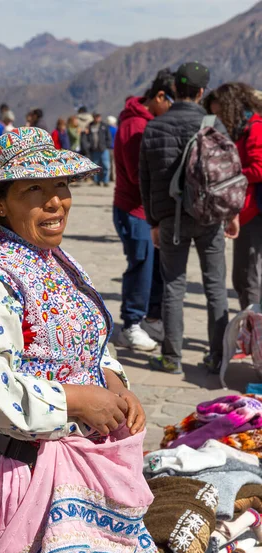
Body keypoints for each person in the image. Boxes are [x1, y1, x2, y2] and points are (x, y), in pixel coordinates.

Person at [0, 127, 162, 553]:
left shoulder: (59, 262)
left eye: (60, 186)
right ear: (0, 203)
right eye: (34, 189)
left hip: (82, 473)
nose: (55, 202)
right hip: (25, 479)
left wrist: (111, 382)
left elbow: (91, 340)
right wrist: (77, 400)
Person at [140, 62, 239, 375]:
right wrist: (231, 214)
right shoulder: (213, 125)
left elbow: (147, 181)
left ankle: (171, 357)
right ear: (201, 91)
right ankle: (217, 356)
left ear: (172, 90)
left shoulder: (154, 127)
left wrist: (154, 222)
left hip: (171, 218)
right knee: (215, 287)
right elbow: (228, 173)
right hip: (210, 217)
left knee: (173, 286)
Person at [114, 69, 175, 351]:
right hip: (134, 209)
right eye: (171, 102)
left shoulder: (148, 121)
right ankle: (130, 324)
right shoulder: (136, 126)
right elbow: (138, 175)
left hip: (148, 209)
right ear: (159, 96)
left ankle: (149, 318)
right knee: (140, 265)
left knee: (152, 268)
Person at [206, 83, 262, 310]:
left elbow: (259, 167)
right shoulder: (245, 126)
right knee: (245, 276)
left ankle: (254, 336)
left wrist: (230, 175)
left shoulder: (254, 127)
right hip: (247, 209)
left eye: (219, 112)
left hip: (253, 211)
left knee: (247, 276)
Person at [86, 113, 112, 186]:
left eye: (98, 117)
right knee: (95, 166)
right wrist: (89, 146)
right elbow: (87, 136)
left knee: (106, 165)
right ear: (93, 117)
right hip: (94, 149)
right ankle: (96, 181)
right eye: (96, 117)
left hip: (104, 149)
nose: (97, 118)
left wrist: (107, 145)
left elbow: (108, 136)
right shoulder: (90, 126)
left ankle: (105, 181)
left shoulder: (104, 126)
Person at [107, 115, 118, 182]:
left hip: (108, 148)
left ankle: (108, 177)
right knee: (114, 163)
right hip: (114, 148)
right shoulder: (116, 129)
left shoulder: (107, 129)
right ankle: (113, 177)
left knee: (108, 163)